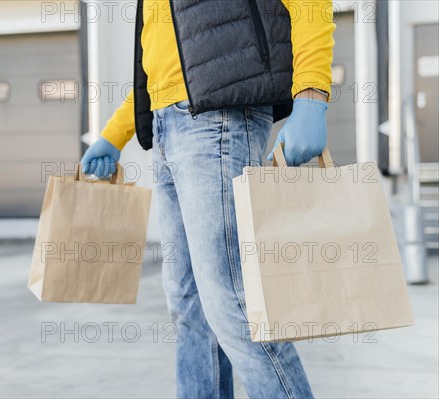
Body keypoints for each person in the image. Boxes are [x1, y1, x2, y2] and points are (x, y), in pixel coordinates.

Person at [81, 0, 335, 397]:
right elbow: (163, 67)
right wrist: (114, 135)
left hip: (218, 120)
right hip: (168, 127)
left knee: (232, 303)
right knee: (189, 305)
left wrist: (311, 94)